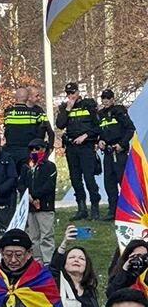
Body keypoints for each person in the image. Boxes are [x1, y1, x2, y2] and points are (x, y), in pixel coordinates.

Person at [55, 81, 102, 219]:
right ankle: (81, 207)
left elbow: (98, 126)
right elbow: (60, 124)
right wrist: (67, 109)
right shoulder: (65, 108)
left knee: (89, 178)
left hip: (86, 146)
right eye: (68, 93)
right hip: (71, 147)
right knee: (75, 179)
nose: (71, 96)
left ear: (78, 92)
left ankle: (95, 207)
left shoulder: (88, 105)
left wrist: (86, 135)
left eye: (73, 93)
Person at [20, 141, 58, 262]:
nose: (34, 151)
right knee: (33, 237)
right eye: (32, 149)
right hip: (30, 207)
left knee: (46, 236)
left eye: (38, 148)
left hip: (45, 206)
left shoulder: (50, 166)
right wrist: (27, 196)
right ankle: (37, 262)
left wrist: (35, 195)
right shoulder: (26, 167)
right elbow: (20, 184)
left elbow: (49, 186)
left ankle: (48, 262)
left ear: (44, 149)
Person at [98, 88, 133, 218]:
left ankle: (128, 209)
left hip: (119, 151)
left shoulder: (119, 111)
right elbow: (98, 131)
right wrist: (100, 140)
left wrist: (122, 144)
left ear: (113, 99)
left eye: (108, 98)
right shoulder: (100, 114)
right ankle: (113, 210)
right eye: (103, 98)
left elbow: (130, 129)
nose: (106, 101)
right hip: (107, 152)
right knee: (109, 182)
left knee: (122, 181)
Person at [2, 84, 52, 169]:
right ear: (27, 98)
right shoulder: (36, 113)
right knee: (31, 177)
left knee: (13, 177)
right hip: (30, 151)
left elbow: (7, 130)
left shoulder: (8, 113)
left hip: (11, 151)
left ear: (16, 98)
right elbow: (47, 131)